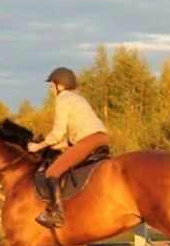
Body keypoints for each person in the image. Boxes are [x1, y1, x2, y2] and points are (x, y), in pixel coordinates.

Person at [25, 66, 108, 228]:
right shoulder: (79, 99)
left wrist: (37, 146)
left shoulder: (62, 99)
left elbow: (57, 132)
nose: (51, 90)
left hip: (88, 141)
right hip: (101, 139)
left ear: (60, 86)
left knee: (52, 172)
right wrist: (56, 146)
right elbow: (73, 138)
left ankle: (57, 214)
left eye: (51, 86)